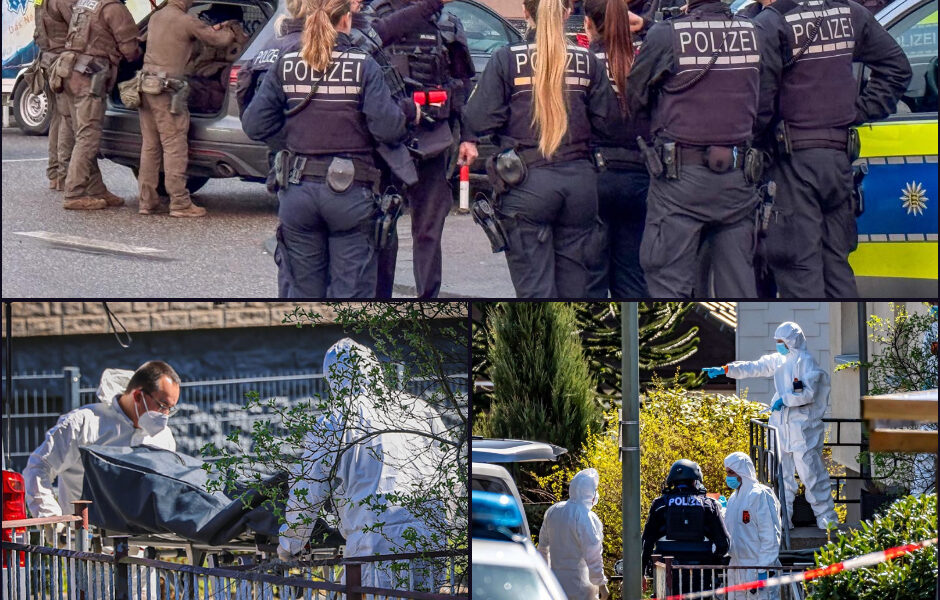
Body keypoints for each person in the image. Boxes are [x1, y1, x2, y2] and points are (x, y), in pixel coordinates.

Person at [243, 0, 412, 297]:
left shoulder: (288, 63)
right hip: (352, 195)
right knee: (351, 296)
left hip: (297, 190)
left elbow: (255, 124)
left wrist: (293, 138)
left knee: (301, 298)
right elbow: (388, 129)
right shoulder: (364, 65)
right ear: (346, 19)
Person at [754, 0, 911, 298]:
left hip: (792, 164)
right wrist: (859, 111)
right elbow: (897, 67)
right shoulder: (849, 12)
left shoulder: (772, 24)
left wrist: (757, 141)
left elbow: (760, 103)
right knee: (837, 267)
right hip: (838, 160)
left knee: (800, 269)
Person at [624, 0, 780, 298]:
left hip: (678, 181)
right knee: (739, 287)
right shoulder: (754, 32)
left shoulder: (666, 35)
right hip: (738, 179)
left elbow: (636, 97)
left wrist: (666, 125)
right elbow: (765, 101)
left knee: (668, 283)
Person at [460, 0, 615, 298]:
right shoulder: (588, 61)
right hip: (580, 184)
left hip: (525, 184)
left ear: (525, 12)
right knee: (576, 294)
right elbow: (608, 123)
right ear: (568, 13)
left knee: (534, 296)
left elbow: (479, 118)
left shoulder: (506, 59)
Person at [278, 338, 447, 590]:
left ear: (333, 378)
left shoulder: (336, 421)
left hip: (376, 545)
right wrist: (448, 527)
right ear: (374, 369)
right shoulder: (419, 409)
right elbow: (450, 474)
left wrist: (289, 544)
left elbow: (308, 490)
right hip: (432, 541)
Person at [368, 0, 475, 299]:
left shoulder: (448, 23)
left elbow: (462, 85)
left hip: (433, 136)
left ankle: (427, 301)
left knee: (429, 229)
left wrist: (468, 136)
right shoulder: (376, 17)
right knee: (383, 226)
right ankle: (380, 303)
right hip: (386, 140)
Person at [704, 321, 839, 529]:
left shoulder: (807, 363)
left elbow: (810, 393)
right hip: (781, 427)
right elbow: (755, 367)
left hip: (803, 429)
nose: (778, 345)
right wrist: (727, 369)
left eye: (781, 341)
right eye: (777, 341)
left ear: (791, 342)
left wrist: (785, 399)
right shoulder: (780, 360)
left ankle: (827, 519)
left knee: (811, 474)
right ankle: (783, 520)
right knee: (781, 476)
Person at [23, 361, 180, 519]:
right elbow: (38, 467)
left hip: (142, 540)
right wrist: (51, 519)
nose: (165, 415)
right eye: (162, 405)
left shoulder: (164, 438)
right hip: (83, 537)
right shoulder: (85, 423)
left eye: (170, 409)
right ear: (138, 396)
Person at [136, 0, 236, 217]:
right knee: (174, 145)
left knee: (150, 146)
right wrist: (229, 28)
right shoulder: (186, 20)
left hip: (146, 86)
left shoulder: (156, 17)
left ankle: (147, 201)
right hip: (167, 91)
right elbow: (220, 40)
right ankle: (180, 203)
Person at [584, 0, 650, 298]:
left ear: (587, 23)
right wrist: (647, 25)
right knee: (633, 278)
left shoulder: (585, 61)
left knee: (592, 278)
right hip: (641, 178)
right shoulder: (646, 56)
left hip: (596, 177)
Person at [49, 0, 139, 210]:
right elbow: (131, 51)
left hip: (69, 71)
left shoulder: (86, 2)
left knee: (82, 134)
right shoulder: (114, 8)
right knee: (88, 137)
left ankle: (96, 189)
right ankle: (74, 194)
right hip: (88, 77)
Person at [641, 459, 730, 593]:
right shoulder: (709, 504)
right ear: (696, 480)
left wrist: (642, 572)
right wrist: (712, 561)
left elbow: (646, 542)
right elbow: (724, 544)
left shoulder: (660, 504)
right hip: (701, 575)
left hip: (666, 573)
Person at [537, 469, 610, 600]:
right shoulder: (585, 516)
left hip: (555, 587)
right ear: (589, 492)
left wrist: (543, 577)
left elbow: (542, 549)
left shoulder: (553, 511)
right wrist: (601, 583)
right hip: (581, 588)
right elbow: (593, 553)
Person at [723, 452, 781, 600]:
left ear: (742, 471)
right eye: (727, 472)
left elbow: (770, 535)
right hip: (737, 568)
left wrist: (763, 569)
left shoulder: (760, 495)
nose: (728, 477)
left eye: (731, 472)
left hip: (758, 568)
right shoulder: (733, 499)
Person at [33, 0, 75, 192]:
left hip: (47, 59)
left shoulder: (40, 1)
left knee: (57, 117)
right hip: (62, 63)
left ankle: (54, 173)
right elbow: (78, 29)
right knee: (67, 119)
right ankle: (63, 175)